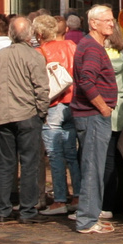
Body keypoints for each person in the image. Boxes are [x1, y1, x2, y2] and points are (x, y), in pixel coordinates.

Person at [0, 15, 46, 223]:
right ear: (29, 35)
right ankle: (27, 210)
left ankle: (3, 209)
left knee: (4, 164)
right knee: (29, 163)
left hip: (4, 115)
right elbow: (41, 88)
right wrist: (41, 112)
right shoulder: (34, 56)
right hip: (28, 115)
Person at [72, 4, 119, 234]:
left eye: (112, 19)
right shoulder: (91, 48)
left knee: (95, 167)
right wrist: (103, 108)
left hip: (92, 116)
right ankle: (87, 220)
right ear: (93, 23)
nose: (112, 23)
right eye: (108, 20)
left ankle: (91, 215)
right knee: (93, 168)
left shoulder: (92, 45)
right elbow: (87, 82)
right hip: (92, 116)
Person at [34, 13, 79, 215]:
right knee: (71, 154)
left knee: (55, 154)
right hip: (73, 102)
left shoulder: (41, 51)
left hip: (54, 104)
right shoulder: (72, 46)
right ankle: (77, 194)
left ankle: (60, 198)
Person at [102, 20, 123, 217]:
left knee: (106, 159)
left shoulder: (104, 55)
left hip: (107, 110)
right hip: (120, 110)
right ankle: (110, 202)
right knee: (112, 157)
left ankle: (106, 203)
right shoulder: (121, 55)